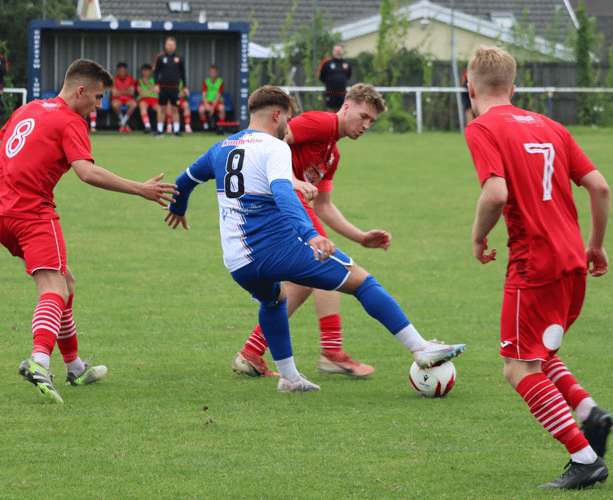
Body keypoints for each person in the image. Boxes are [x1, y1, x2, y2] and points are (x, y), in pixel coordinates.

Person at [163, 85, 465, 392]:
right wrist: (311, 235)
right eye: (289, 117)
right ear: (278, 115)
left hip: (238, 261)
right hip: (275, 247)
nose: (289, 125)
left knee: (275, 300)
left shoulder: (222, 148)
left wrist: (178, 207)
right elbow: (283, 191)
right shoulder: (277, 146)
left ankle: (289, 377)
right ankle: (419, 347)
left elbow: (185, 180)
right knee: (361, 280)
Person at [0, 59, 178, 404]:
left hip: (2, 215)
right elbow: (86, 173)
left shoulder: (29, 108)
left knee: (66, 281)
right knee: (54, 287)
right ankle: (39, 361)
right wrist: (140, 189)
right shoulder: (70, 121)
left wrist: (12, 192)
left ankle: (74, 367)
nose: (99, 106)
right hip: (33, 215)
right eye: (99, 98)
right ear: (81, 91)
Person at [464, 46, 613, 489]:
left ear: (469, 86)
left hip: (534, 262)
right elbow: (600, 187)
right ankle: (590, 413)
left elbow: (495, 194)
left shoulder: (482, 127)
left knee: (517, 367)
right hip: (572, 261)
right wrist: (596, 246)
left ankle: (585, 459)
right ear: (513, 88)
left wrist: (477, 236)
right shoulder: (551, 126)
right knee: (539, 353)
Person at [233, 83, 393, 378]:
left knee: (307, 278)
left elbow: (324, 205)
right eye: (363, 115)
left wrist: (361, 236)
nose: (366, 125)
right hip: (281, 204)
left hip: (292, 207)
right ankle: (332, 352)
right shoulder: (320, 122)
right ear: (347, 106)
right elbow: (273, 140)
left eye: (372, 120)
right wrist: (288, 180)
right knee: (326, 263)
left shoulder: (332, 153)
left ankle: (252, 351)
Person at [153, 37, 185, 137]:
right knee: (162, 109)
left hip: (175, 88)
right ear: (165, 46)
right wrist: (156, 85)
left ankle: (176, 131)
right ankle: (159, 131)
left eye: (172, 45)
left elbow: (183, 74)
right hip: (163, 87)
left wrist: (185, 86)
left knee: (175, 109)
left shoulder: (179, 58)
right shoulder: (160, 57)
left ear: (175, 46)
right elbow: (155, 72)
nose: (170, 46)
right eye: (168, 44)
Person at [317, 44, 352, 113]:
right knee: (331, 113)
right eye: (336, 51)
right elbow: (320, 75)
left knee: (342, 113)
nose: (338, 52)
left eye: (339, 51)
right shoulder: (327, 62)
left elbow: (349, 76)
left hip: (342, 93)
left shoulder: (346, 63)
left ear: (342, 51)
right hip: (330, 93)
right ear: (333, 51)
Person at [111, 62, 138, 132]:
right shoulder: (114, 79)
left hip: (128, 98)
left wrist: (119, 91)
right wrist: (126, 91)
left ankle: (123, 122)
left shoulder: (130, 78)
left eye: (123, 70)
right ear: (117, 71)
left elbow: (132, 92)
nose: (122, 72)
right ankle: (124, 122)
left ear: (126, 70)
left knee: (134, 104)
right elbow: (114, 93)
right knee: (115, 104)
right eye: (120, 70)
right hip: (117, 99)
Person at [198, 65, 226, 130]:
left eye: (214, 72)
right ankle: (205, 125)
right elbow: (204, 95)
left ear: (216, 72)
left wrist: (213, 107)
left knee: (221, 108)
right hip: (207, 102)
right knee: (201, 110)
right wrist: (207, 106)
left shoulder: (220, 81)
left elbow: (218, 95)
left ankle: (221, 126)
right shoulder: (206, 81)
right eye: (211, 72)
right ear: (209, 72)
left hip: (217, 101)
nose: (212, 73)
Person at [136, 63, 161, 133]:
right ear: (141, 71)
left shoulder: (155, 80)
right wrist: (152, 90)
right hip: (143, 99)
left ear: (150, 71)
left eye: (147, 70)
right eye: (144, 70)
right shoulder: (139, 80)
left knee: (160, 109)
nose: (146, 72)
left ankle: (160, 128)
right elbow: (140, 92)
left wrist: (147, 85)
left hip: (155, 99)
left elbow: (158, 91)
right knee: (143, 107)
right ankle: (147, 126)